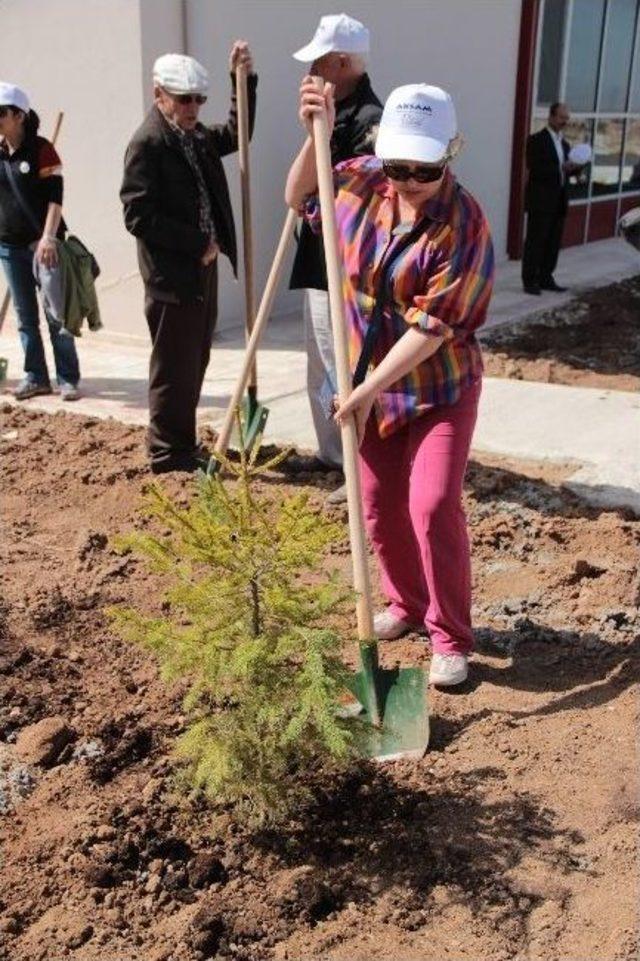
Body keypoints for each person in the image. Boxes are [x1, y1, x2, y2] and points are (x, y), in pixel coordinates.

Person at [286, 80, 494, 687]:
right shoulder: (357, 181)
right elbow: (299, 197)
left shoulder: (463, 222)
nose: (405, 179)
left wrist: (368, 386)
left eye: (421, 170)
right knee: (377, 507)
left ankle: (450, 635)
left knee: (430, 505)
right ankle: (406, 604)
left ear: (450, 153)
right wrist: (312, 139)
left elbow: (433, 327)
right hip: (368, 386)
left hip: (438, 389)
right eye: (396, 163)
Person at [121, 45, 256, 474]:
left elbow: (237, 135)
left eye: (199, 99)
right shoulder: (149, 143)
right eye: (184, 99)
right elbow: (138, 214)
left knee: (195, 359)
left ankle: (182, 442)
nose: (193, 107)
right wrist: (197, 243)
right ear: (158, 94)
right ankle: (167, 453)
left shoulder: (194, 137)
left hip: (202, 270)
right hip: (173, 276)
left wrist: (242, 81)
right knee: (173, 367)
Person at [288, 13, 382, 502]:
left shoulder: (368, 121)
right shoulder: (333, 111)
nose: (311, 72)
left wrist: (318, 133)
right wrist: (314, 130)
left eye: (320, 62)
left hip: (343, 271)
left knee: (344, 371)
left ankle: (358, 470)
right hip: (317, 263)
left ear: (343, 62)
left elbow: (321, 198)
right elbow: (297, 194)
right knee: (320, 367)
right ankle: (332, 454)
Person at [0, 82, 81, 400]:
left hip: (43, 247)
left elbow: (55, 199)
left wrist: (48, 237)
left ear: (19, 116)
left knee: (56, 315)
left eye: (1, 113)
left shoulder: (42, 149)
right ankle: (36, 376)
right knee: (25, 317)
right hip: (9, 247)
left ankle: (67, 378)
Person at [522, 102, 581, 296]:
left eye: (566, 118)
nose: (565, 121)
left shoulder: (564, 143)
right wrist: (560, 169)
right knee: (535, 242)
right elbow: (535, 167)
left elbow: (567, 172)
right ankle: (530, 281)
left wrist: (577, 168)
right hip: (541, 201)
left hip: (559, 201)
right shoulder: (536, 140)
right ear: (551, 116)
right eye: (562, 117)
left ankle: (546, 278)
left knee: (553, 243)